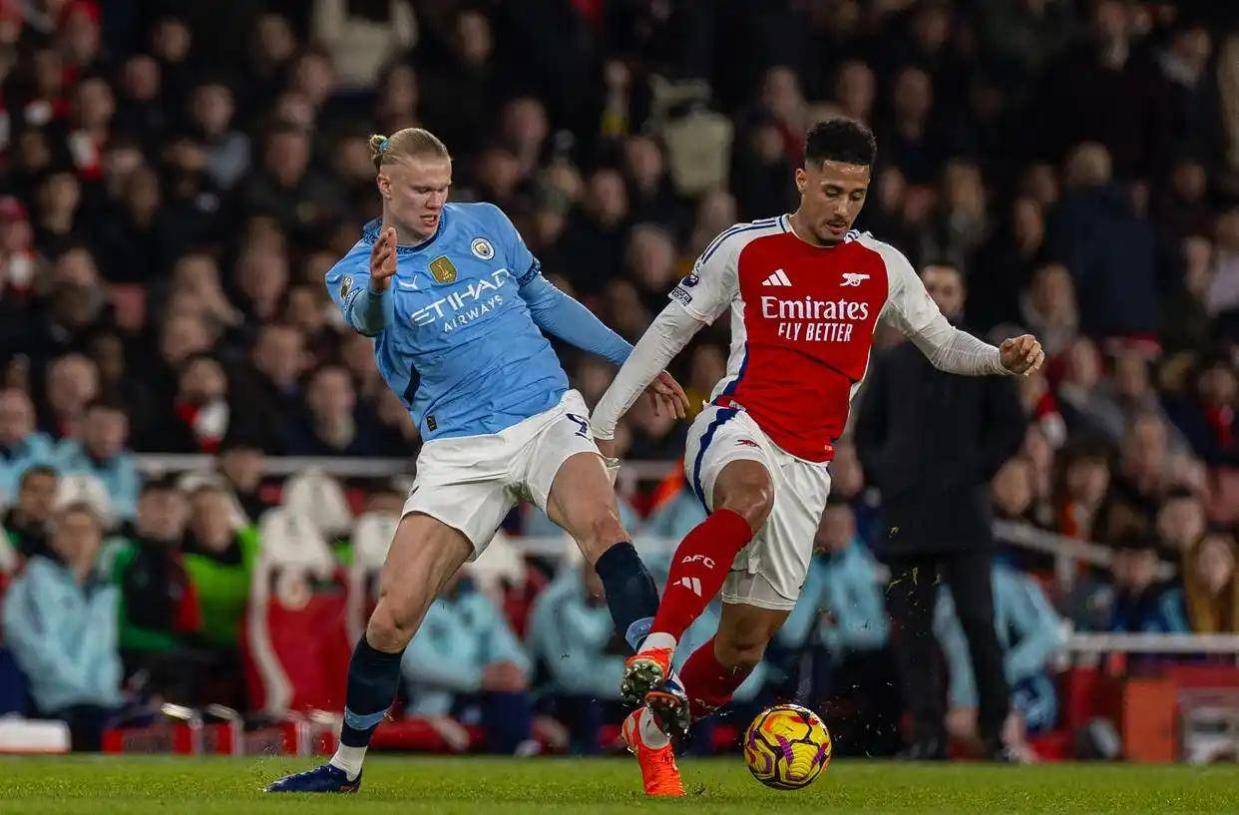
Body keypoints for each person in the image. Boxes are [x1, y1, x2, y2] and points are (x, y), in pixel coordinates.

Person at [589, 118, 1043, 795]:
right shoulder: (745, 247)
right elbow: (670, 329)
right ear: (802, 179)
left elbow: (944, 344)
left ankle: (652, 733)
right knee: (750, 495)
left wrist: (999, 359)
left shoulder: (881, 265)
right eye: (831, 191)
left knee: (744, 648)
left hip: (809, 465)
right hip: (737, 424)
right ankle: (658, 646)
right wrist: (604, 421)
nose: (842, 208)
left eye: (855, 195)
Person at [268, 127, 688, 793]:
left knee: (602, 525)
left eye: (442, 188)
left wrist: (633, 361)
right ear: (385, 185)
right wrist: (379, 284)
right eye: (420, 191)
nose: (435, 202)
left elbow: (544, 301)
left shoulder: (486, 223)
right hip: (459, 451)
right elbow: (370, 321)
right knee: (392, 615)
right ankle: (343, 767)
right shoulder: (353, 270)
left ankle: (657, 669)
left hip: (544, 415)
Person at [855, 261, 1027, 761]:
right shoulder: (893, 363)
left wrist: (975, 470)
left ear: (962, 297)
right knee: (913, 633)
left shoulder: (985, 358)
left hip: (963, 516)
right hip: (908, 516)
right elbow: (867, 433)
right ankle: (927, 736)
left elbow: (1010, 425)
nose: (938, 296)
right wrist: (888, 474)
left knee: (979, 623)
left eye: (947, 289)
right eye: (930, 288)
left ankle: (995, 732)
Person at [2, 503, 123, 750]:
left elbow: (106, 652)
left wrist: (104, 693)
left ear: (99, 539)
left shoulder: (106, 590)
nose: (79, 539)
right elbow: (27, 642)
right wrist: (75, 689)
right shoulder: (33, 580)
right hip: (51, 699)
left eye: (87, 531)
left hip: (100, 702)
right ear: (54, 538)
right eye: (69, 531)